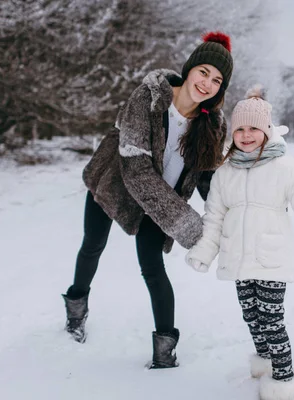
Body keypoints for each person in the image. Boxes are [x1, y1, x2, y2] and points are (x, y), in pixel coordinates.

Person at [61, 32, 234, 369]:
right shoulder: (148, 98)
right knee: (92, 245)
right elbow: (136, 170)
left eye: (217, 80)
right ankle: (76, 309)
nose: (207, 84)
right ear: (189, 69)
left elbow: (208, 179)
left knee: (153, 268)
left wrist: (229, 219)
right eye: (204, 72)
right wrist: (189, 227)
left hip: (161, 201)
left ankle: (165, 352)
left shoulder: (212, 125)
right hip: (114, 183)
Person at [186, 87, 294, 400]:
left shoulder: (284, 166)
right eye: (240, 129)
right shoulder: (225, 171)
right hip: (237, 258)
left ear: (267, 130)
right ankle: (265, 362)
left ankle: (283, 380)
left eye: (253, 129)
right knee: (251, 316)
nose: (246, 135)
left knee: (271, 320)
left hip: (272, 258)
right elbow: (214, 217)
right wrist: (205, 252)